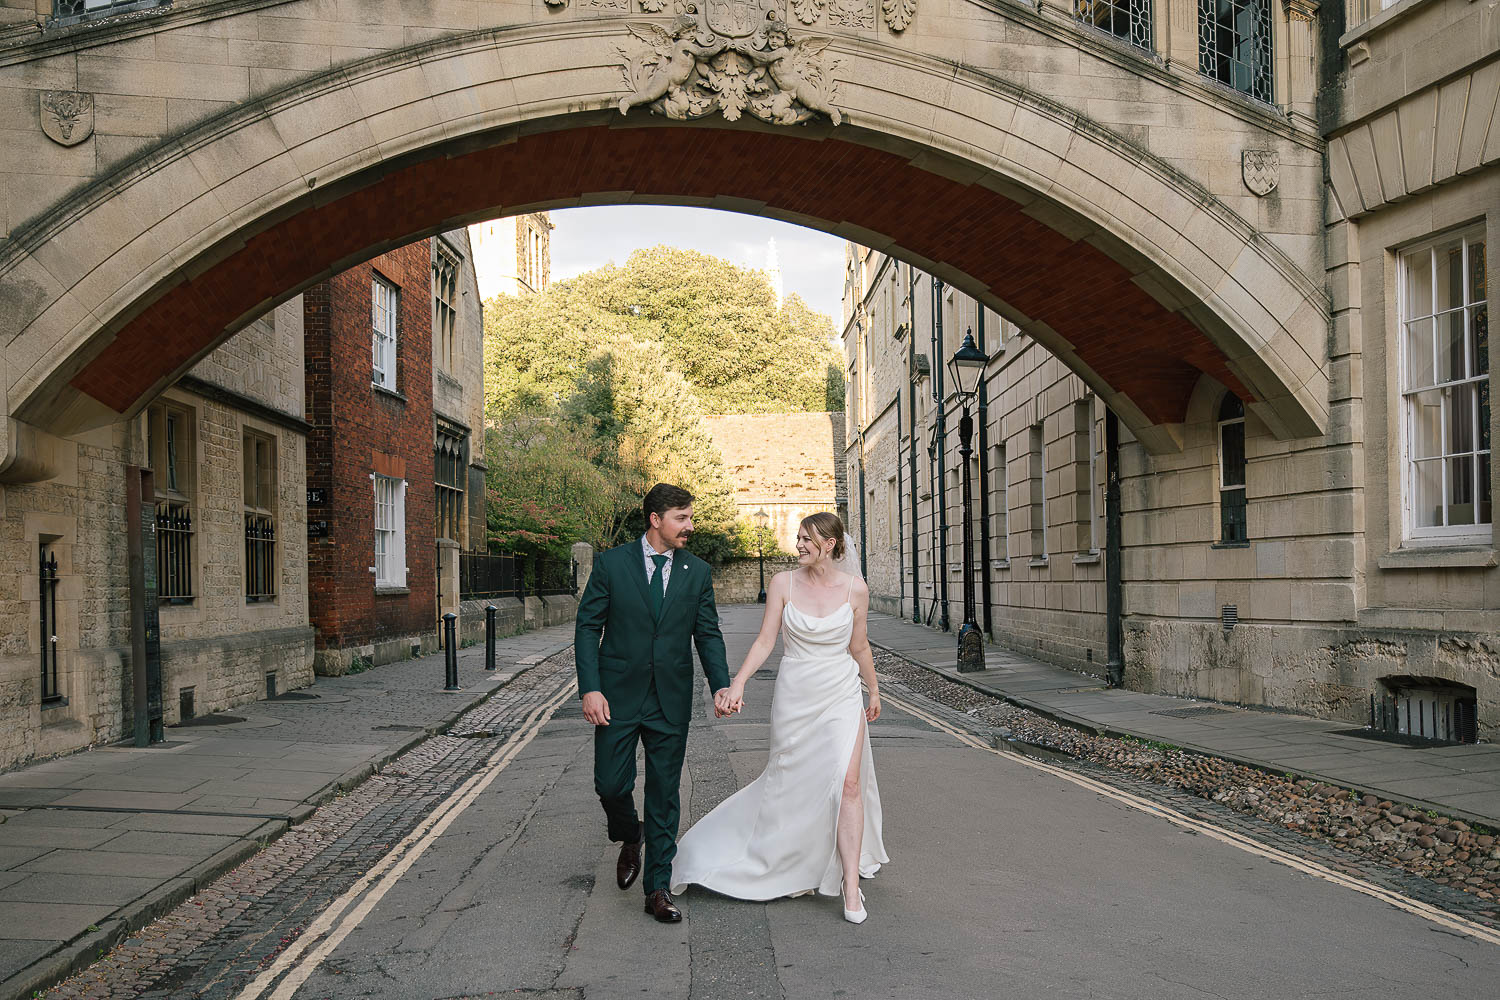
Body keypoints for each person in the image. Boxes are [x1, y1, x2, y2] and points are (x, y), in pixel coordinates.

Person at [671, 512, 888, 923]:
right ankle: (786, 857)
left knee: (849, 782)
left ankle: (851, 889)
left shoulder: (855, 589)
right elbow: (766, 640)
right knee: (790, 781)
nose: (799, 545)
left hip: (841, 692)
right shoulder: (782, 584)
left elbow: (859, 647)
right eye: (799, 537)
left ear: (829, 544)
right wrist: (737, 684)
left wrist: (873, 689)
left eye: (807, 538)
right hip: (796, 694)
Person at [574, 483, 734, 923]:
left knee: (664, 794)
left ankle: (658, 888)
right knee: (610, 784)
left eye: (690, 516)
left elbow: (708, 633)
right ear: (655, 520)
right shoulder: (611, 564)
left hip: (670, 697)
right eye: (681, 517)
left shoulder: (696, 571)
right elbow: (588, 627)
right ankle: (630, 833)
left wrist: (721, 685)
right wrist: (590, 687)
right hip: (616, 695)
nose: (690, 525)